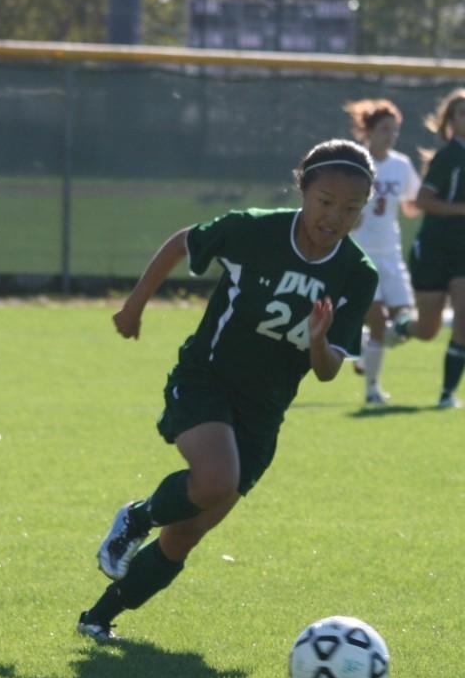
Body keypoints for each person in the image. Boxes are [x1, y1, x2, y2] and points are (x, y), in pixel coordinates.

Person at [77, 139, 378, 643]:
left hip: (264, 412)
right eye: (326, 201)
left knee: (188, 532)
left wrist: (320, 341)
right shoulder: (255, 229)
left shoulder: (356, 273)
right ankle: (136, 517)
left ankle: (98, 618)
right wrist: (133, 307)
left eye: (351, 209)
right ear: (302, 188)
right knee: (215, 479)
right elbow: (182, 243)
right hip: (206, 379)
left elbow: (326, 373)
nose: (335, 217)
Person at [387, 88, 465, 408]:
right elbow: (422, 201)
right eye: (461, 113)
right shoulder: (449, 157)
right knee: (427, 330)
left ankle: (447, 393)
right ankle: (399, 326)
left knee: (464, 322)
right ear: (450, 121)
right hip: (434, 249)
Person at [343, 99, 420, 405]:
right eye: (385, 129)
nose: (391, 135)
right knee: (377, 320)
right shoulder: (355, 163)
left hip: (391, 254)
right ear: (369, 131)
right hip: (361, 254)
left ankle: (363, 348)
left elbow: (413, 202)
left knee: (405, 325)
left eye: (395, 130)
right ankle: (372, 390)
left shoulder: (401, 165)